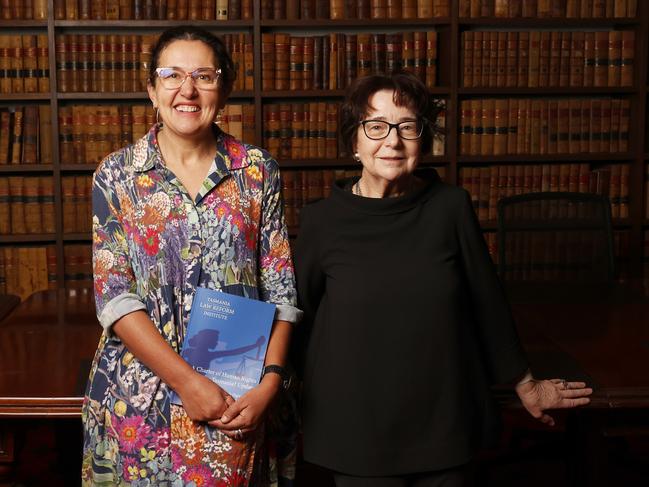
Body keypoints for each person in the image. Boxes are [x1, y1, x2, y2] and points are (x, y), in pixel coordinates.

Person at [292, 72, 593, 487]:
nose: (393, 142)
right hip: (356, 427)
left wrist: (526, 383)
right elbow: (297, 315)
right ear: (353, 142)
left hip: (443, 422)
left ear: (424, 139)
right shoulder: (321, 221)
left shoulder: (451, 207)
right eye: (376, 126)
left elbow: (486, 301)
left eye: (408, 127)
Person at [82, 26, 301, 486]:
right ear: (152, 90)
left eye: (204, 75)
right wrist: (186, 383)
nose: (187, 89)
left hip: (237, 398)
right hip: (139, 401)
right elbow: (115, 298)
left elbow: (282, 292)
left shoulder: (258, 171)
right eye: (172, 75)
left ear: (223, 89)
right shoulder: (117, 175)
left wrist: (271, 383)